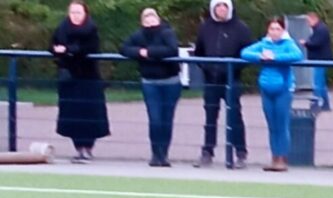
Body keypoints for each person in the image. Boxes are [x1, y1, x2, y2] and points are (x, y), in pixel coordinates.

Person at [194, 0, 252, 169]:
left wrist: (233, 69)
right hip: (211, 80)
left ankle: (240, 153)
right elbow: (198, 53)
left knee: (235, 117)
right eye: (218, 6)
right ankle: (207, 152)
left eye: (224, 6)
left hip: (232, 80)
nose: (221, 9)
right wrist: (206, 67)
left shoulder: (241, 28)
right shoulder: (205, 27)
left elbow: (248, 53)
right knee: (210, 117)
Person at [241, 16, 303, 172]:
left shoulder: (288, 44)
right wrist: (259, 56)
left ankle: (282, 158)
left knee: (282, 124)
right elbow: (245, 53)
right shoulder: (264, 44)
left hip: (283, 89)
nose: (274, 32)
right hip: (266, 88)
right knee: (272, 125)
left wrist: (275, 57)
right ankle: (274, 157)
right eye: (272, 29)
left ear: (283, 30)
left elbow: (297, 55)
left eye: (278, 29)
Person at [50, 0, 109, 163]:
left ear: (85, 13)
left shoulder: (91, 29)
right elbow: (52, 44)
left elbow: (90, 48)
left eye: (78, 12)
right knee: (72, 114)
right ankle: (78, 149)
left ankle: (88, 148)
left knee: (90, 113)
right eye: (72, 12)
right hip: (69, 78)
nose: (75, 15)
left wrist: (68, 49)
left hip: (89, 78)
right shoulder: (62, 28)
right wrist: (56, 49)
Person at [121, 8, 180, 167]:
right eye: (146, 19)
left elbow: (172, 50)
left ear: (158, 19)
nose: (150, 22)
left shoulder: (167, 32)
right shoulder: (138, 35)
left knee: (167, 119)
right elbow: (124, 48)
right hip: (150, 82)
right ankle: (155, 153)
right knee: (155, 119)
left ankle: (164, 154)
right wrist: (139, 52)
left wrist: (149, 52)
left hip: (170, 82)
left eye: (152, 18)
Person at [300, 12, 333, 111]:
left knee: (318, 83)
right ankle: (325, 104)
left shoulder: (320, 29)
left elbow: (316, 43)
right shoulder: (320, 28)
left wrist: (306, 43)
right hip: (321, 59)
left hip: (320, 59)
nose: (308, 23)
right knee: (321, 83)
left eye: (308, 21)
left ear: (314, 19)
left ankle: (316, 103)